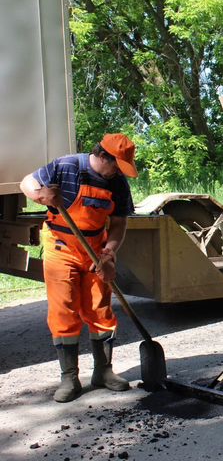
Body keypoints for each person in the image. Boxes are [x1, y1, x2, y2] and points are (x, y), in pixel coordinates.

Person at [20, 133, 138, 402]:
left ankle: (104, 372)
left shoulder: (117, 184)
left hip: (96, 250)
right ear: (104, 157)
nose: (119, 173)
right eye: (117, 166)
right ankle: (69, 378)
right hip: (61, 246)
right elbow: (26, 182)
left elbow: (119, 224)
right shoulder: (67, 166)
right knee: (64, 310)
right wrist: (41, 194)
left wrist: (109, 253)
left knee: (101, 308)